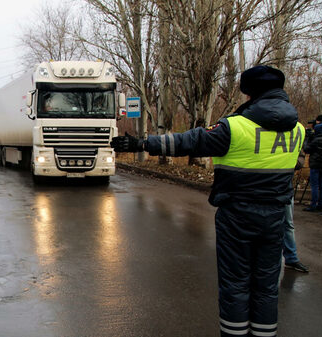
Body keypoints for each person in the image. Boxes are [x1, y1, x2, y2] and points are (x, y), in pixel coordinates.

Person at [111, 65, 304, 337]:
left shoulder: (235, 127)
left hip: (237, 216)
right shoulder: (297, 130)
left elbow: (189, 142)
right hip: (275, 217)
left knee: (236, 285)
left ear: (250, 94)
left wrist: (142, 144)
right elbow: (295, 163)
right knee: (266, 286)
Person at [283, 150, 309, 273]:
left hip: (284, 186)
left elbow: (300, 159)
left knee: (288, 224)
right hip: (267, 185)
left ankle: (291, 258)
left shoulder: (293, 133)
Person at [302, 123, 322, 211]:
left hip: (315, 164)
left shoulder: (316, 140)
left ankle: (313, 205)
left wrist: (307, 139)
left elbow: (306, 149)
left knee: (314, 186)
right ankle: (320, 204)